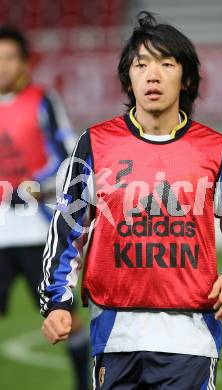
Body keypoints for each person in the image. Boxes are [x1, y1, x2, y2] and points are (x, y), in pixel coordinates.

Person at [39, 12, 222, 389]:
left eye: (166, 63)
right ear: (128, 77)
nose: (152, 74)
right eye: (140, 64)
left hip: (191, 337)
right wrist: (57, 303)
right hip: (115, 334)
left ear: (186, 77)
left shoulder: (216, 149)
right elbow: (66, 233)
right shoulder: (95, 145)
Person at [0, 26, 90, 390]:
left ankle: (85, 382)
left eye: (9, 59)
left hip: (39, 231)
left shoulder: (42, 101)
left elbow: (69, 155)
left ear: (24, 63)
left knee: (64, 316)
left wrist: (40, 185)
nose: (2, 67)